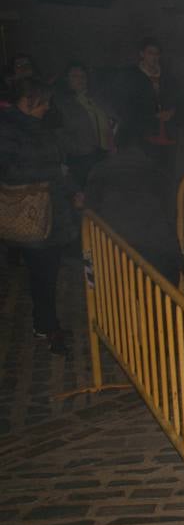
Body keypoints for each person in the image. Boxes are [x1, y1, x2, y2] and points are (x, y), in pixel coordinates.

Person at [0, 80, 79, 355]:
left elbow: (58, 167)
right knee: (42, 274)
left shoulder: (38, 127)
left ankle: (45, 323)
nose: (47, 107)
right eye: (43, 102)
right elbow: (7, 169)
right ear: (28, 100)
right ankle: (48, 326)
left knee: (47, 272)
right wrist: (36, 180)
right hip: (32, 212)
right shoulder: (9, 128)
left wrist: (72, 191)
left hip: (53, 210)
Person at [83, 137, 181, 283]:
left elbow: (91, 210)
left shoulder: (100, 170)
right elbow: (171, 213)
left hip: (116, 253)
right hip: (160, 251)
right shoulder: (158, 172)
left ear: (114, 148)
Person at [117, 38, 182, 183]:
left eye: (157, 54)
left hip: (167, 138)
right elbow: (126, 108)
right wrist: (152, 116)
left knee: (166, 176)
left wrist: (171, 113)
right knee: (146, 177)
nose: (154, 57)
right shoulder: (131, 76)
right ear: (142, 54)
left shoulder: (168, 78)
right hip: (143, 137)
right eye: (150, 53)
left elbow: (179, 101)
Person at [52, 62, 115, 188]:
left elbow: (113, 118)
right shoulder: (60, 102)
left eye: (83, 76)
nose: (80, 79)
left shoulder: (96, 98)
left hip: (105, 154)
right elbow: (58, 132)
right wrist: (78, 149)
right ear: (66, 79)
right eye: (75, 76)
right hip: (82, 158)